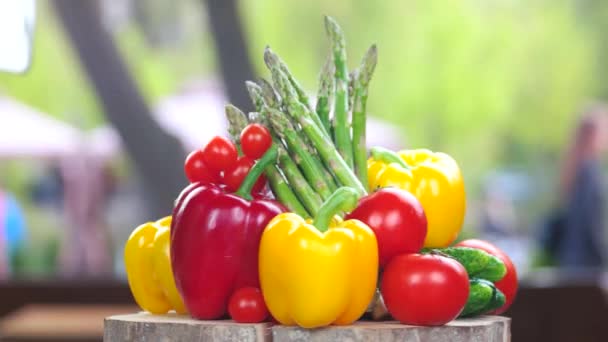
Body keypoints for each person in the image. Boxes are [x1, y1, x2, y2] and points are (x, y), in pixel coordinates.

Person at [542, 105, 607, 268]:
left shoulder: (573, 167)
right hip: (588, 262)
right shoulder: (588, 171)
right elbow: (590, 222)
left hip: (570, 258)